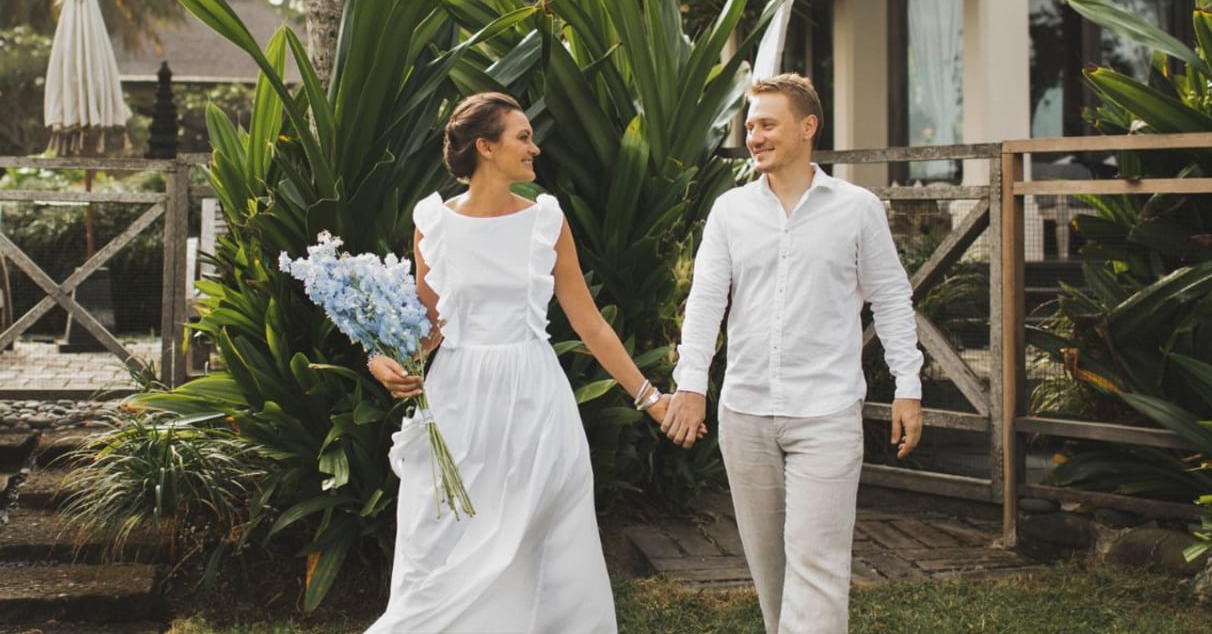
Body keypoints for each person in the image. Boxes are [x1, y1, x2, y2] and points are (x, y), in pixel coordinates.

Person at [364, 91, 687, 634]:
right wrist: (382, 358)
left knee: (543, 551)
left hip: (535, 405)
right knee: (439, 541)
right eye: (523, 137)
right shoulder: (434, 225)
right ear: (486, 147)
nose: (534, 148)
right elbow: (429, 327)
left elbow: (591, 324)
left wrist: (651, 400)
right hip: (457, 403)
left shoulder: (545, 222)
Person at [660, 73, 924, 634]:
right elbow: (706, 300)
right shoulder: (730, 211)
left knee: (819, 566)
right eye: (750, 125)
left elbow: (893, 299)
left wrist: (908, 385)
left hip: (826, 413)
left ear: (807, 128)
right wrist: (690, 383)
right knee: (771, 568)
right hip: (745, 413)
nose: (754, 136)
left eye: (767, 124)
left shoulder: (857, 209)